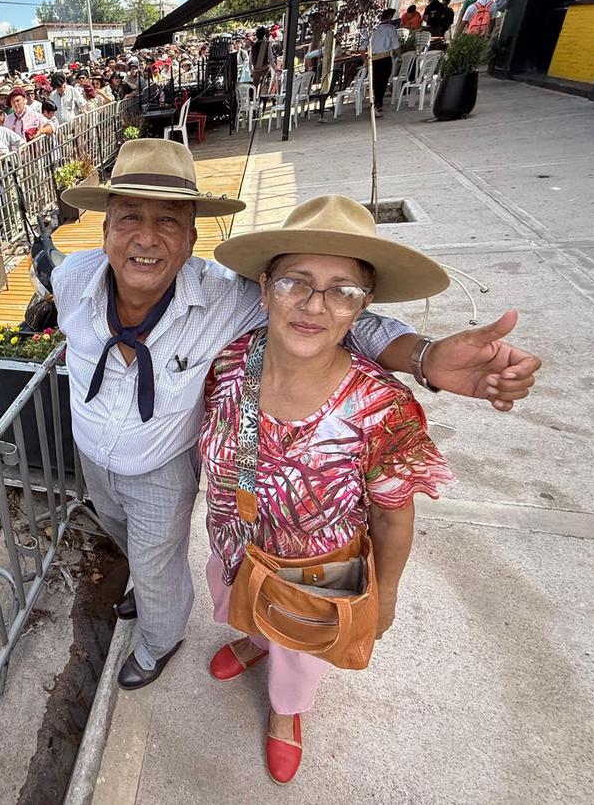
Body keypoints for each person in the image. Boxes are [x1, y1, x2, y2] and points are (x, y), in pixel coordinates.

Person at [52, 139, 540, 692]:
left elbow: (336, 320)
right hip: (95, 452)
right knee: (127, 537)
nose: (146, 238)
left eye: (168, 219)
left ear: (192, 237)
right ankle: (152, 592)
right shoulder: (73, 279)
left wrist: (424, 357)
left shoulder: (227, 297)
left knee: (164, 563)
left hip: (164, 467)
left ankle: (160, 642)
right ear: (104, 229)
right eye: (128, 218)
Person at [200, 195, 454, 784]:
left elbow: (392, 517)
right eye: (295, 281)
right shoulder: (232, 360)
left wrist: (384, 596)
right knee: (238, 602)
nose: (314, 305)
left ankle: (286, 711)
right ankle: (256, 639)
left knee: (301, 647)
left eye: (342, 290)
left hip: (315, 572)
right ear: (265, 289)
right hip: (234, 541)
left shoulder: (381, 406)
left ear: (362, 307)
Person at [369, 8, 401, 117]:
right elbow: (396, 45)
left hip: (373, 59)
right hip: (384, 58)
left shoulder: (372, 29)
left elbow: (362, 48)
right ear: (389, 17)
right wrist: (400, 56)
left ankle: (376, 102)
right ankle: (378, 103)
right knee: (382, 82)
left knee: (375, 81)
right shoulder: (390, 29)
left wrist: (365, 60)